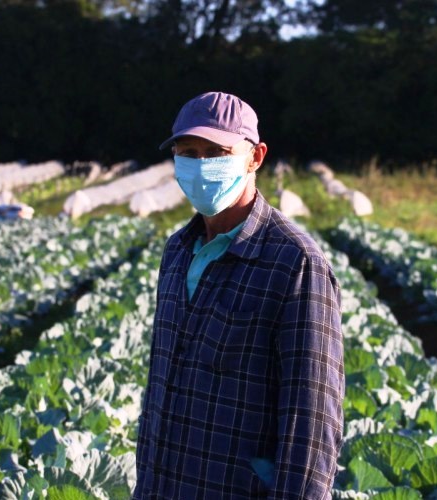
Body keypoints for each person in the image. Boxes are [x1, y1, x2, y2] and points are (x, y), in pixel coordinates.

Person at [134, 91, 344, 499]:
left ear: (255, 157)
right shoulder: (177, 251)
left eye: (216, 152)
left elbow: (313, 425)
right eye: (188, 152)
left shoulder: (294, 262)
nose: (200, 165)